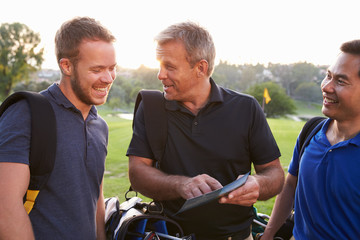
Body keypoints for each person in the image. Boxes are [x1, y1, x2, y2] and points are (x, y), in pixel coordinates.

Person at [126, 21, 284, 240]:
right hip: (171, 235)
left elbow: (275, 174)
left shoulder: (246, 108)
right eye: (159, 65)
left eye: (170, 67)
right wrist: (182, 185)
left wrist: (258, 184)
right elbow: (137, 173)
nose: (160, 75)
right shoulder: (151, 107)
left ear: (200, 68)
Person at [0, 17, 117, 239]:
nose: (108, 78)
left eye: (112, 68)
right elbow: (5, 207)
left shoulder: (99, 125)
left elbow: (95, 196)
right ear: (67, 66)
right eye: (97, 69)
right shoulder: (26, 113)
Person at [261, 40, 360, 239]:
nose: (327, 87)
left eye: (341, 81)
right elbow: (290, 185)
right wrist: (269, 234)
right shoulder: (311, 131)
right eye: (328, 76)